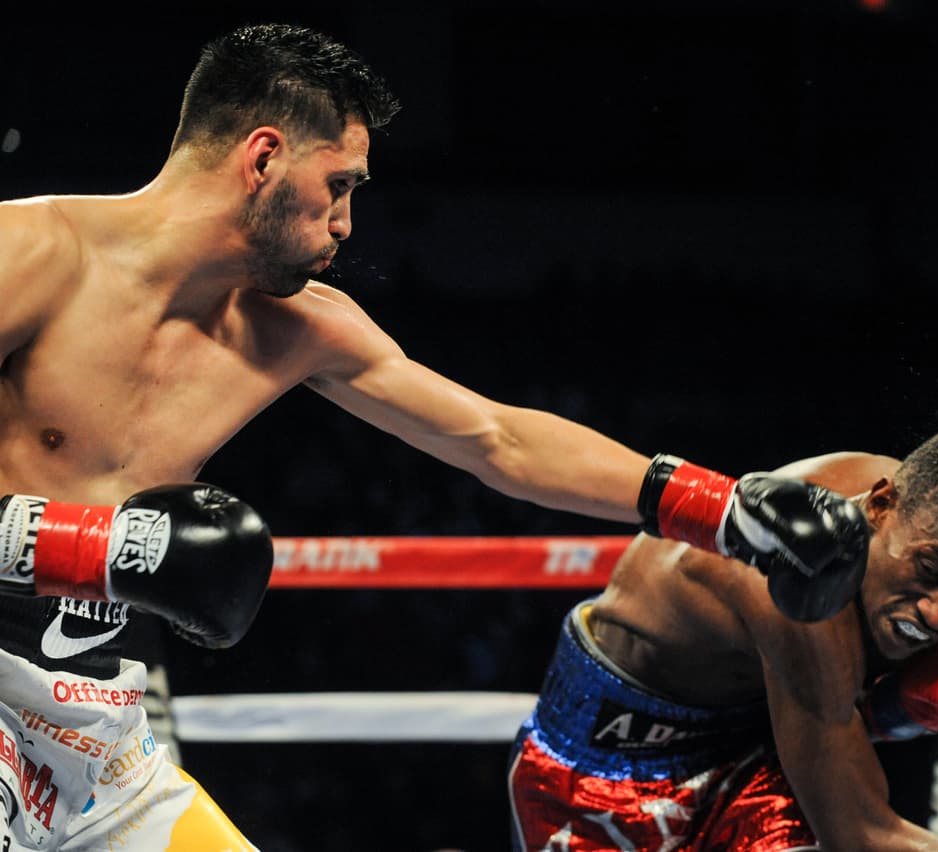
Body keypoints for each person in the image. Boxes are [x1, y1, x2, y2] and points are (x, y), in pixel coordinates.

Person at [0, 22, 873, 850]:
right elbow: (107, 549)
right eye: (337, 184)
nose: (344, 224)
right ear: (262, 157)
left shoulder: (300, 328)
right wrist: (92, 546)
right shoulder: (34, 253)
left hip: (95, 735)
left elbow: (499, 440)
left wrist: (724, 508)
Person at [508, 408, 938, 852]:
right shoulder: (797, 580)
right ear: (880, 506)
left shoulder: (914, 511)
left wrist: (888, 708)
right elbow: (859, 830)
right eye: (933, 572)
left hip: (751, 754)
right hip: (601, 777)